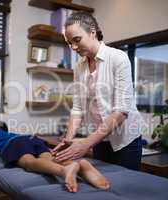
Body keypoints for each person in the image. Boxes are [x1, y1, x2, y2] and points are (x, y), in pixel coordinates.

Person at [52, 11, 148, 170]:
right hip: (99, 139)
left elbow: (121, 112)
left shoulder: (118, 58)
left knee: (124, 188)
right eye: (70, 43)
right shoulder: (79, 67)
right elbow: (78, 108)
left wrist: (85, 144)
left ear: (92, 32)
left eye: (77, 40)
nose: (74, 47)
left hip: (125, 140)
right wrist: (68, 141)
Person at [0, 120, 109, 193]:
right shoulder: (10, 133)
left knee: (29, 162)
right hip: (32, 139)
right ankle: (79, 165)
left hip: (15, 145)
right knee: (47, 160)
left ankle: (65, 171)